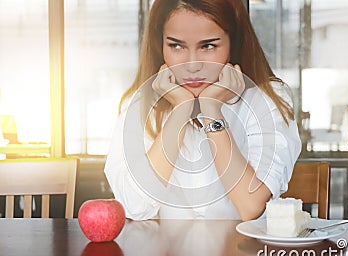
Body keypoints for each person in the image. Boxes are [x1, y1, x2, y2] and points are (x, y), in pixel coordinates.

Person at [105, 0, 301, 221]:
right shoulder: (140, 103)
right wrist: (180, 110)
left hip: (244, 254)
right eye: (176, 46)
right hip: (164, 255)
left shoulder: (267, 98)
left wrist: (212, 111)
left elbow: (251, 206)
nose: (192, 65)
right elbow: (133, 206)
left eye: (208, 46)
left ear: (233, 43)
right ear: (160, 45)